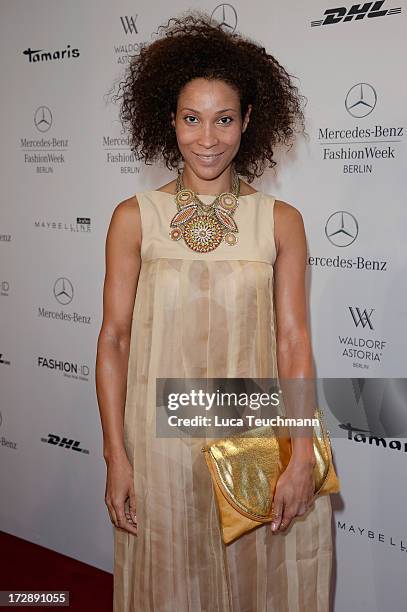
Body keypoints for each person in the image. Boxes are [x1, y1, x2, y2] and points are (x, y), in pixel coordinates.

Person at [96, 11, 333, 612]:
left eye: (224, 119)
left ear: (248, 121)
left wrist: (301, 453)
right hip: (160, 450)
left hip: (255, 432)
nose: (208, 138)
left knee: (260, 589)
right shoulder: (134, 217)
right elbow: (114, 340)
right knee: (172, 590)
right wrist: (115, 455)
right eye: (192, 119)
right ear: (169, 120)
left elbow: (293, 340)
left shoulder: (280, 221)